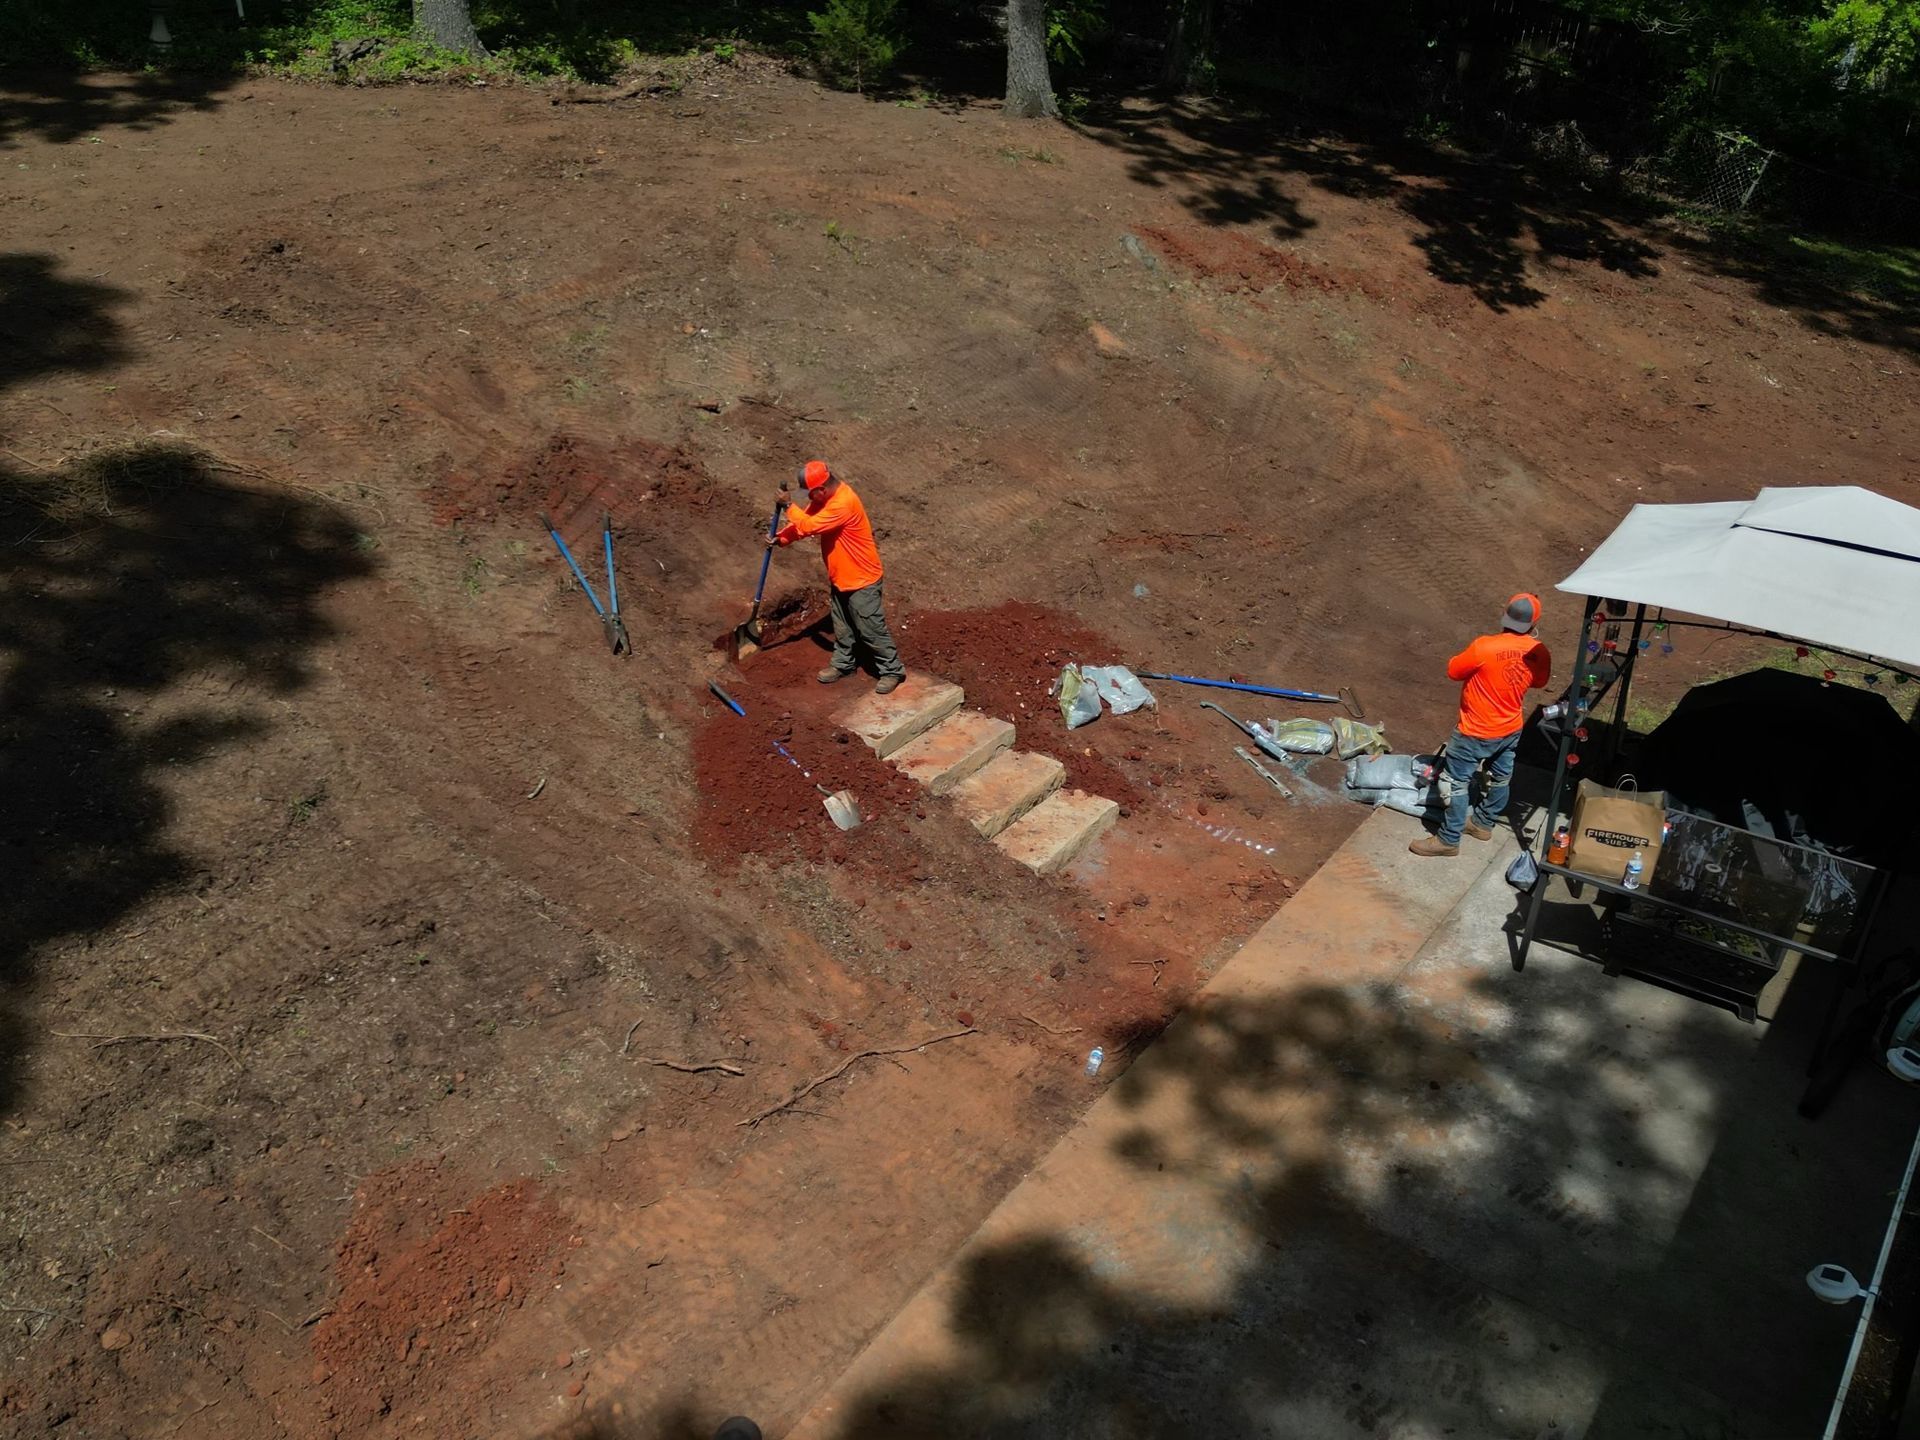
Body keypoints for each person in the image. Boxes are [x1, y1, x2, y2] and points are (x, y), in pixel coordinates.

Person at [1411, 592, 1553, 858]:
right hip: (1510, 728)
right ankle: (1482, 824)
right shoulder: (1539, 652)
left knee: (1454, 783)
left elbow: (1453, 670)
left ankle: (1448, 839)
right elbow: (1539, 682)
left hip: (1474, 731)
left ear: (1505, 616)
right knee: (1500, 778)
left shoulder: (1484, 647)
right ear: (1534, 624)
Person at [768, 460, 906, 694]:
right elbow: (802, 525)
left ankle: (892, 670)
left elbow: (810, 525)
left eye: (811, 493)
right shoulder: (823, 501)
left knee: (870, 629)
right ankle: (843, 665)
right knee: (842, 627)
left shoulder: (843, 503)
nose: (809, 498)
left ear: (821, 489)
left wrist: (789, 505)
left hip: (862, 580)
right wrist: (781, 538)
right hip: (841, 577)